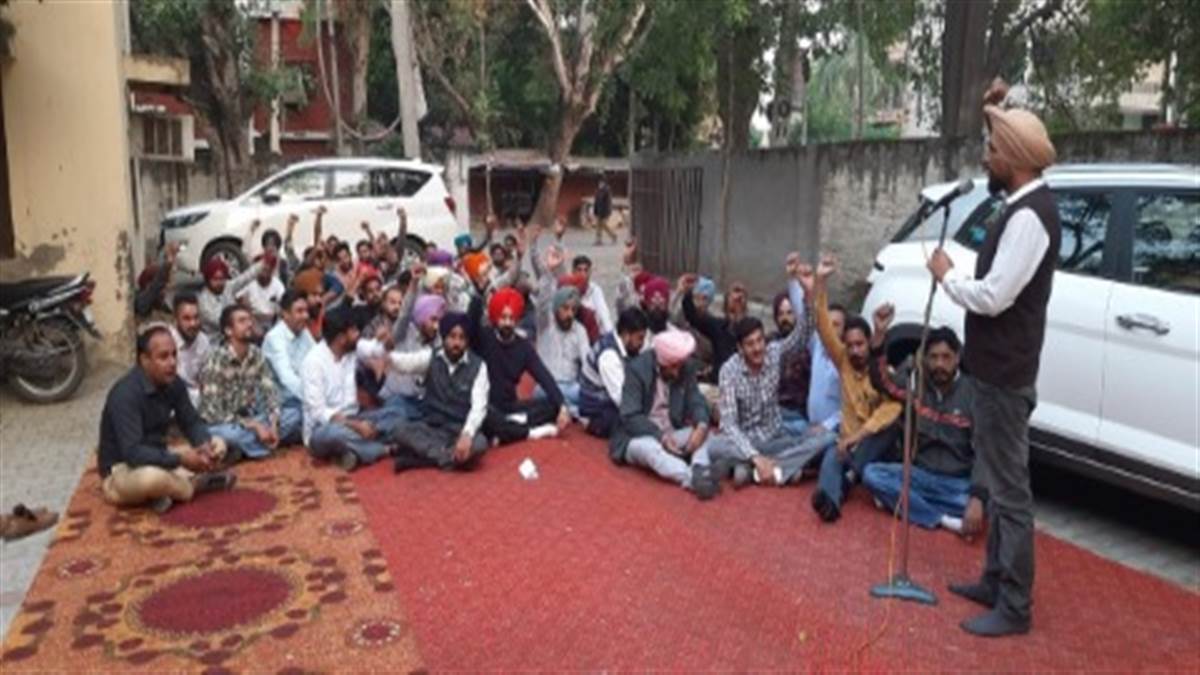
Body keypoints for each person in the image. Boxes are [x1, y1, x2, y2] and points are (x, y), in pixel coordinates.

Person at [926, 78, 1060, 638]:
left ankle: (1015, 605)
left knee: (1009, 494)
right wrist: (992, 109)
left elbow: (995, 295)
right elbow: (1005, 139)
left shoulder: (1029, 216)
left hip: (1005, 379)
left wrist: (947, 276)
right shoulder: (1022, 202)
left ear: (1015, 160)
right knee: (998, 482)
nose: (986, 159)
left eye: (992, 150)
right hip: (994, 374)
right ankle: (994, 578)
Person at [709, 256, 836, 487]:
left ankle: (762, 469)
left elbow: (802, 335)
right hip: (745, 441)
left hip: (776, 437)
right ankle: (779, 468)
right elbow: (729, 424)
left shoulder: (773, 352)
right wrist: (755, 456)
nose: (758, 348)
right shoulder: (729, 370)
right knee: (714, 446)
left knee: (827, 438)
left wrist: (809, 294)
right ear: (740, 348)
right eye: (750, 344)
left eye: (760, 341)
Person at [862, 319, 983, 534]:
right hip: (920, 475)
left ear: (957, 358)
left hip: (956, 484)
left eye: (946, 357)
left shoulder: (973, 394)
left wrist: (977, 498)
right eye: (933, 357)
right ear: (925, 359)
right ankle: (941, 519)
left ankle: (905, 503)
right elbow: (883, 383)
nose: (939, 364)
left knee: (988, 505)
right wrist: (879, 338)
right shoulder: (916, 384)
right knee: (872, 475)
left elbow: (987, 453)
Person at [98, 326, 235, 513]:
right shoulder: (124, 395)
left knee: (218, 444)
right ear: (144, 360)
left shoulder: (173, 383)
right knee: (152, 479)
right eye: (163, 357)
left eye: (174, 355)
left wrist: (203, 445)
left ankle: (164, 493)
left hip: (159, 456)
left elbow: (191, 421)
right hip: (122, 470)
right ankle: (193, 486)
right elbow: (132, 453)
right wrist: (181, 459)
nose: (172, 363)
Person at [809, 254, 902, 523]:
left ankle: (849, 478)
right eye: (849, 345)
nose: (854, 351)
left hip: (872, 447)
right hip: (847, 446)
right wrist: (821, 281)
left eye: (860, 345)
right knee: (832, 455)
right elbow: (823, 324)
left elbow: (891, 411)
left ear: (868, 343)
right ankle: (832, 501)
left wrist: (856, 437)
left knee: (886, 429)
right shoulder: (843, 362)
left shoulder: (883, 372)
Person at [302, 307, 418, 471]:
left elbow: (379, 349)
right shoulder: (313, 362)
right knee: (334, 435)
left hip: (357, 416)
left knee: (399, 412)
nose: (358, 334)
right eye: (354, 331)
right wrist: (356, 426)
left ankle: (353, 451)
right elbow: (318, 413)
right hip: (324, 429)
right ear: (341, 338)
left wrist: (386, 341)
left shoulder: (353, 347)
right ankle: (384, 449)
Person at [609, 329, 718, 499]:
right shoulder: (637, 370)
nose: (677, 372)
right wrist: (661, 437)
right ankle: (691, 478)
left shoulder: (684, 366)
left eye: (679, 366)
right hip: (641, 436)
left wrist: (701, 427)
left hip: (671, 431)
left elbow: (696, 399)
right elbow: (630, 416)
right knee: (649, 451)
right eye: (672, 367)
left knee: (707, 435)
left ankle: (699, 467)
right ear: (661, 361)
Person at [389, 313, 491, 472]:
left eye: (462, 338)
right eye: (452, 337)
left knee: (480, 443)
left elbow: (479, 407)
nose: (456, 343)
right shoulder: (430, 357)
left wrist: (467, 434)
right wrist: (383, 355)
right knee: (399, 430)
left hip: (459, 429)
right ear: (444, 337)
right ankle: (447, 458)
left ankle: (419, 460)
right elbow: (403, 363)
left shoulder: (479, 366)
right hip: (432, 427)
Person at [468, 287, 570, 444]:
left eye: (511, 318)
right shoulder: (485, 337)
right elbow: (470, 326)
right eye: (503, 317)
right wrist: (479, 294)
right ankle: (526, 431)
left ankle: (508, 427)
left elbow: (543, 376)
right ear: (495, 317)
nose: (507, 323)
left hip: (510, 406)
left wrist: (562, 405)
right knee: (483, 416)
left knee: (552, 407)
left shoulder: (523, 347)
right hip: (486, 405)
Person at [199, 306, 283, 462]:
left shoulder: (256, 353)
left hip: (249, 417)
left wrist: (273, 423)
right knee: (232, 435)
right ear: (228, 331)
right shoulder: (216, 359)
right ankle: (256, 444)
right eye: (242, 321)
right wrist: (254, 426)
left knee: (293, 415)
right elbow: (213, 412)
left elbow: (270, 390)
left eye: (249, 319)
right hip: (221, 424)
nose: (249, 324)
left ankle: (250, 446)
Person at [578, 307, 648, 438]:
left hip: (608, 404)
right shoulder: (609, 356)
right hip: (597, 413)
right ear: (626, 335)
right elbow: (622, 399)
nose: (642, 343)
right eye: (639, 338)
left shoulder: (621, 345)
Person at [532, 267, 590, 415]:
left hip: (571, 387)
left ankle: (561, 408)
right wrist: (549, 271)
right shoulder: (545, 325)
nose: (569, 314)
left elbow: (587, 363)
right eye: (565, 308)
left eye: (573, 310)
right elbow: (543, 303)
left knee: (591, 397)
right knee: (541, 394)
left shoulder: (580, 330)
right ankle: (570, 410)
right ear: (556, 308)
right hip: (546, 387)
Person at [262, 290, 314, 446]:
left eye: (306, 311)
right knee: (299, 416)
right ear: (285, 314)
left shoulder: (304, 332)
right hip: (277, 403)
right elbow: (287, 378)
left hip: (298, 398)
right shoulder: (274, 337)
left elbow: (318, 360)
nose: (305, 316)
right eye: (299, 311)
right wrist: (312, 398)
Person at [197, 256, 263, 337]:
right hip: (215, 339)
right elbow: (222, 322)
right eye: (215, 279)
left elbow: (245, 278)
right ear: (208, 280)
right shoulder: (203, 302)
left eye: (222, 279)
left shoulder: (227, 287)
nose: (219, 283)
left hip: (235, 333)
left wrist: (263, 263)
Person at [169, 292, 210, 408]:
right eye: (186, 318)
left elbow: (206, 379)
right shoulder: (167, 340)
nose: (193, 324)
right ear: (176, 319)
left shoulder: (203, 340)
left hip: (196, 401)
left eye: (196, 317)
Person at [236, 250, 284, 337]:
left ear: (271, 270)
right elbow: (238, 298)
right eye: (261, 269)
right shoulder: (249, 283)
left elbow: (283, 305)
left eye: (266, 269)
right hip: (252, 320)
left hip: (272, 322)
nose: (263, 272)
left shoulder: (278, 285)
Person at [571, 255, 613, 334]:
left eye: (586, 270)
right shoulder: (568, 290)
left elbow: (604, 314)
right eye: (579, 270)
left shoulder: (595, 290)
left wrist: (610, 334)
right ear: (573, 272)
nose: (583, 274)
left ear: (590, 272)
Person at [592, 178, 618, 245]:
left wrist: (606, 212)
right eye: (599, 183)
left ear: (604, 183)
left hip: (605, 211)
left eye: (601, 183)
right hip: (599, 211)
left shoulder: (607, 191)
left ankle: (613, 236)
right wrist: (595, 211)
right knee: (598, 226)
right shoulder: (598, 191)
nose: (600, 184)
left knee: (604, 224)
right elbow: (596, 202)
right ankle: (598, 240)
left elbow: (608, 203)